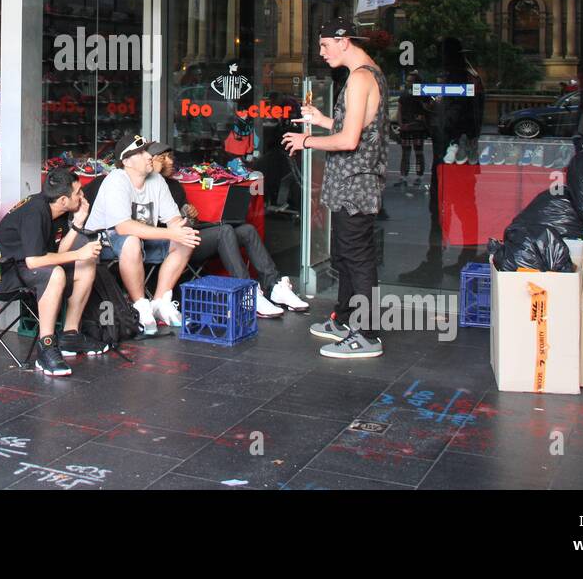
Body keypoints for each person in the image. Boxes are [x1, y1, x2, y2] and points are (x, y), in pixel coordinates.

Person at [282, 23, 389, 359]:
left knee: (358, 259)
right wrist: (322, 119)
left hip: (356, 183)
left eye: (326, 44)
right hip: (350, 183)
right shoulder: (368, 73)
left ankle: (367, 333)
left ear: (344, 42)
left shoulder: (360, 77)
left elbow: (349, 140)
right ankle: (344, 320)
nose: (322, 52)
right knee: (346, 256)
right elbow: (352, 126)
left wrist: (306, 140)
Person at [150, 141, 308, 317]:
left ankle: (274, 285)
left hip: (190, 233)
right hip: (174, 244)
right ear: (151, 161)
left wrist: (189, 212)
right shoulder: (149, 185)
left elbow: (185, 217)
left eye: (171, 157)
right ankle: (246, 292)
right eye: (164, 158)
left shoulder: (174, 186)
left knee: (247, 230)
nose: (171, 162)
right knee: (224, 231)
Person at [81, 134, 199, 336]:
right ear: (126, 161)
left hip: (143, 241)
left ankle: (160, 301)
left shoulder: (157, 180)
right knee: (132, 240)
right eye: (142, 152)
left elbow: (173, 220)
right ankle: (140, 305)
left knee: (186, 239)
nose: (148, 156)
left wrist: (183, 227)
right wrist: (172, 232)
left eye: (147, 151)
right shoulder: (116, 180)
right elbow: (123, 228)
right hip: (104, 243)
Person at [0, 167, 104, 376]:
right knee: (55, 273)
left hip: (27, 264)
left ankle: (70, 335)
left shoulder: (59, 209)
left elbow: (57, 251)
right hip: (5, 270)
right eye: (79, 193)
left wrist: (79, 223)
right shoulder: (35, 211)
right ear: (63, 200)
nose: (83, 196)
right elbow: (35, 261)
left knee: (87, 264)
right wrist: (79, 253)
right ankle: (46, 347)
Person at [396, 70, 429, 193]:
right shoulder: (405, 94)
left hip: (417, 127)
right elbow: (399, 109)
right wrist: (400, 124)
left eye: (410, 81)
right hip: (408, 127)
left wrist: (423, 116)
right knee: (407, 153)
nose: (408, 83)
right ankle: (404, 176)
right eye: (408, 81)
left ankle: (418, 176)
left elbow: (428, 107)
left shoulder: (421, 94)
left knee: (417, 153)